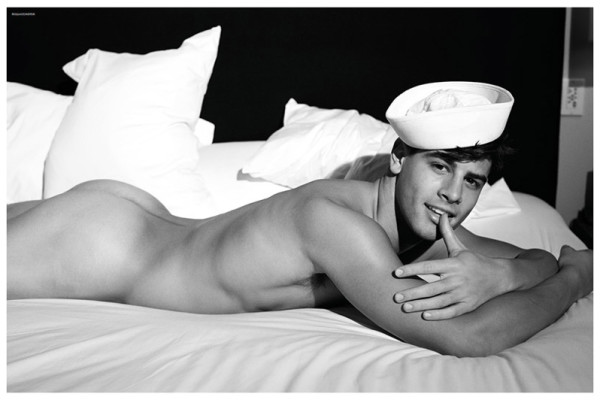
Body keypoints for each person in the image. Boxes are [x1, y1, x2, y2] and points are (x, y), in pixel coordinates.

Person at [7, 82, 593, 357]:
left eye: (472, 181)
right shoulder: (334, 224)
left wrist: (506, 275)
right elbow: (470, 337)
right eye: (439, 167)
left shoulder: (429, 225)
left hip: (140, 221)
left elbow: (531, 257)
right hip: (101, 246)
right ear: (397, 159)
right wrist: (573, 280)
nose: (453, 196)